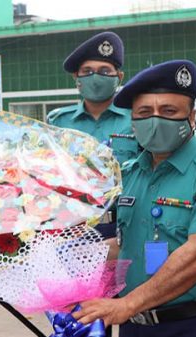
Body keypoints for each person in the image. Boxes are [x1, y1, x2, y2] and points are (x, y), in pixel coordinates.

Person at [72, 60, 196, 337]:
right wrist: (54, 258)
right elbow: (125, 245)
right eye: (144, 112)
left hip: (193, 325)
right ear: (133, 121)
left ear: (192, 117)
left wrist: (126, 305)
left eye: (169, 111)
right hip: (135, 326)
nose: (155, 120)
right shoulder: (130, 175)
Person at [47, 31, 139, 239]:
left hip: (125, 225)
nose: (95, 77)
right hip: (71, 227)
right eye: (87, 71)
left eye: (104, 71)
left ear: (119, 77)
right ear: (76, 78)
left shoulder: (136, 119)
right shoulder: (59, 121)